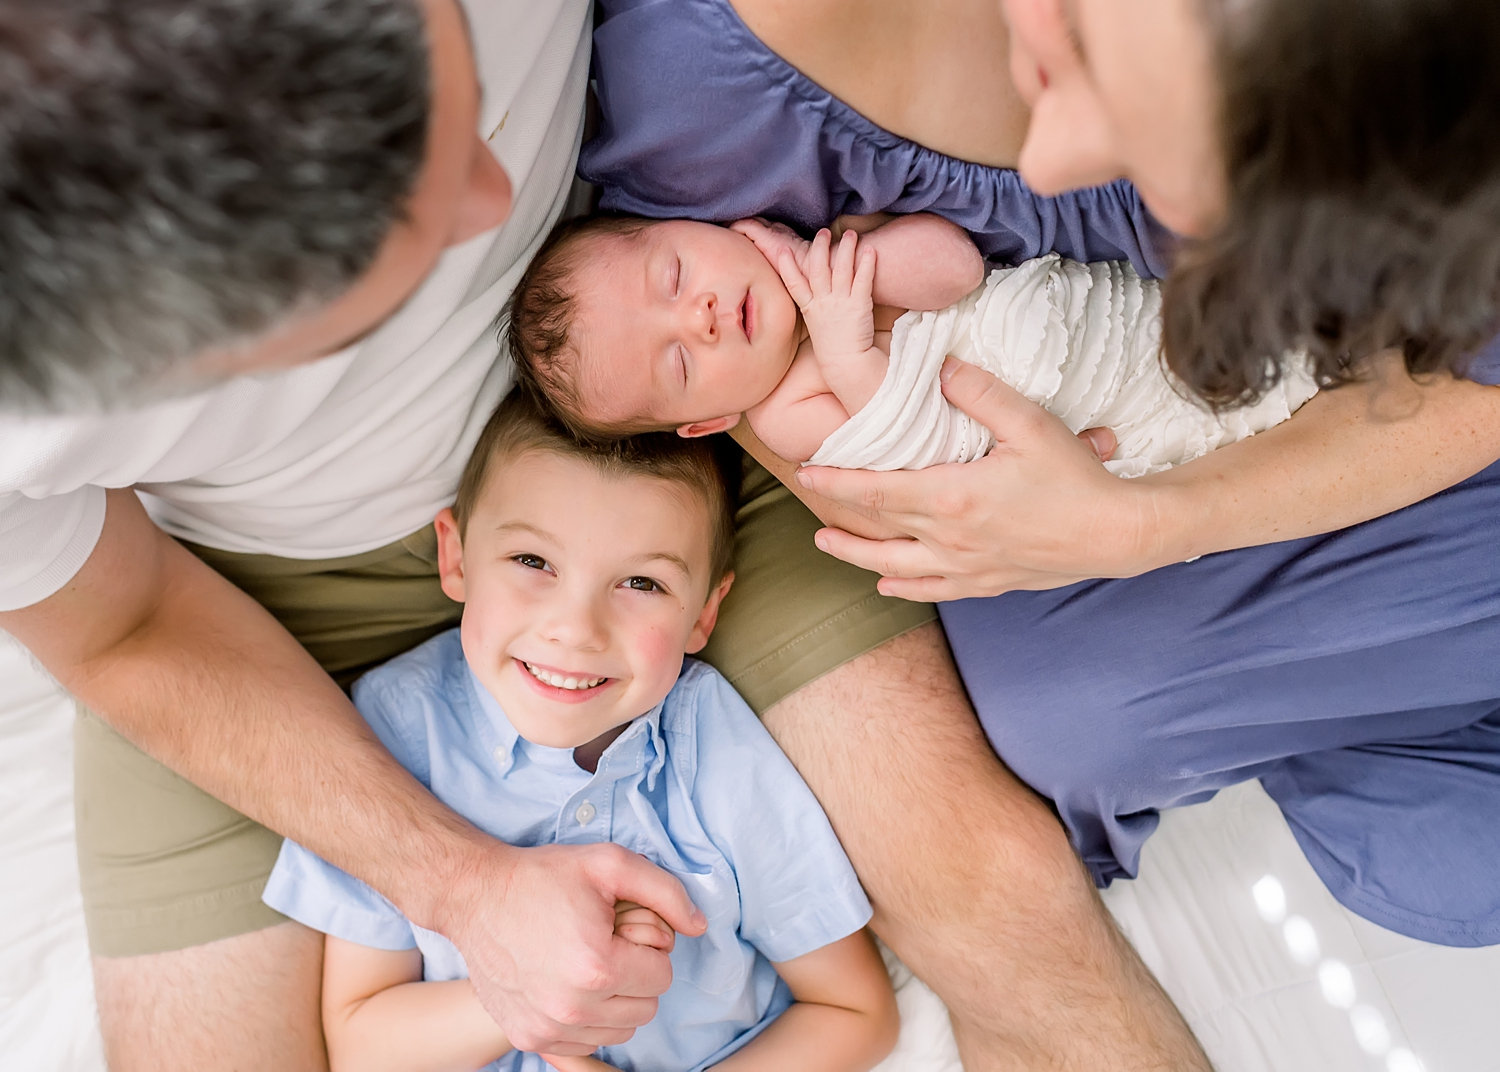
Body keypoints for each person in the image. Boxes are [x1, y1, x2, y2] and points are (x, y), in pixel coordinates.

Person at [0, 3, 1203, 1071]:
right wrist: (464, 892)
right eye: (381, 233)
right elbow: (123, 624)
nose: (488, 198)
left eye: (439, 98)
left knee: (1003, 908)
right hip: (226, 601)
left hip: (666, 454)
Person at [582, 0, 1500, 952]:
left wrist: (1155, 525)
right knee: (1072, 716)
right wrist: (936, 479)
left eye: (1095, 92)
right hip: (1086, 429)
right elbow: (718, 369)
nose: (1050, 167)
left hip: (1383, 382)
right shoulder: (693, 103)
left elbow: (1478, 373)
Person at [261, 388, 898, 1072]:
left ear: (703, 615)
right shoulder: (399, 725)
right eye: (533, 562)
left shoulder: (711, 746)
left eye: (642, 584)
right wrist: (547, 980)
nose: (575, 628)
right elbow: (362, 1046)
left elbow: (854, 1013)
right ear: (456, 558)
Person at [508, 213, 1314, 472]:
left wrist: (819, 269)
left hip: (1112, 319)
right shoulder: (789, 413)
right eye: (679, 363)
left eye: (676, 274)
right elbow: (923, 439)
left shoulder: (833, 250)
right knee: (1272, 403)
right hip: (1100, 418)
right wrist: (842, 339)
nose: (701, 317)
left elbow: (956, 268)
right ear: (707, 424)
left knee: (1279, 302)